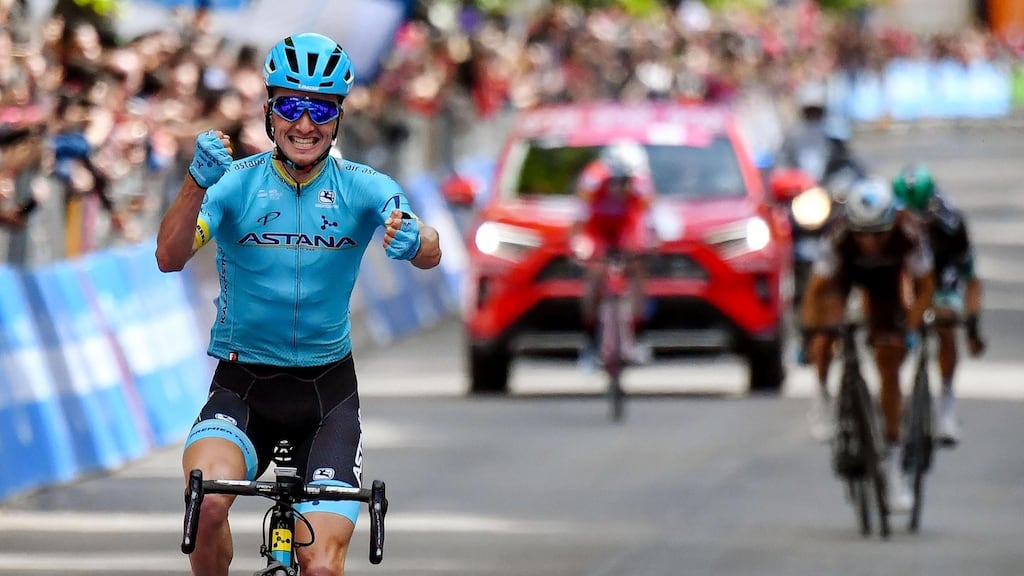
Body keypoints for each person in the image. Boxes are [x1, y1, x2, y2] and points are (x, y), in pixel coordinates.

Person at [155, 33, 442, 576]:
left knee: (318, 562)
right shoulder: (233, 183)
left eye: (320, 109)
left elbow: (427, 243)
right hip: (243, 387)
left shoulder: (363, 185)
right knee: (207, 504)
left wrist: (418, 240)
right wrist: (195, 184)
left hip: (325, 396)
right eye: (290, 105)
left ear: (337, 117)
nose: (304, 124)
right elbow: (169, 256)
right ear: (268, 109)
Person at [799, 177, 934, 513]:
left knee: (889, 363)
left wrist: (911, 328)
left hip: (887, 287)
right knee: (824, 333)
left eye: (877, 234)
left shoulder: (908, 234)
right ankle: (823, 396)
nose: (869, 242)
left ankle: (892, 458)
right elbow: (815, 291)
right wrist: (812, 331)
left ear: (892, 222)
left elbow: (925, 288)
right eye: (862, 233)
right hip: (843, 279)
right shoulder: (840, 236)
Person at [892, 163, 985, 446]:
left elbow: (971, 279)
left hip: (942, 273)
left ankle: (946, 402)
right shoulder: (888, 222)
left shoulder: (951, 224)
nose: (915, 225)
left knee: (945, 324)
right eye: (908, 217)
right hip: (903, 271)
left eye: (921, 217)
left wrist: (971, 327)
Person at [571, 140, 654, 367]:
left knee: (638, 270)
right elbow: (579, 217)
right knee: (594, 274)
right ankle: (589, 338)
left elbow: (647, 219)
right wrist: (579, 244)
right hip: (598, 228)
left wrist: (647, 246)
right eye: (619, 181)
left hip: (626, 227)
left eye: (627, 181)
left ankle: (637, 333)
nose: (623, 187)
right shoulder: (592, 180)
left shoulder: (642, 185)